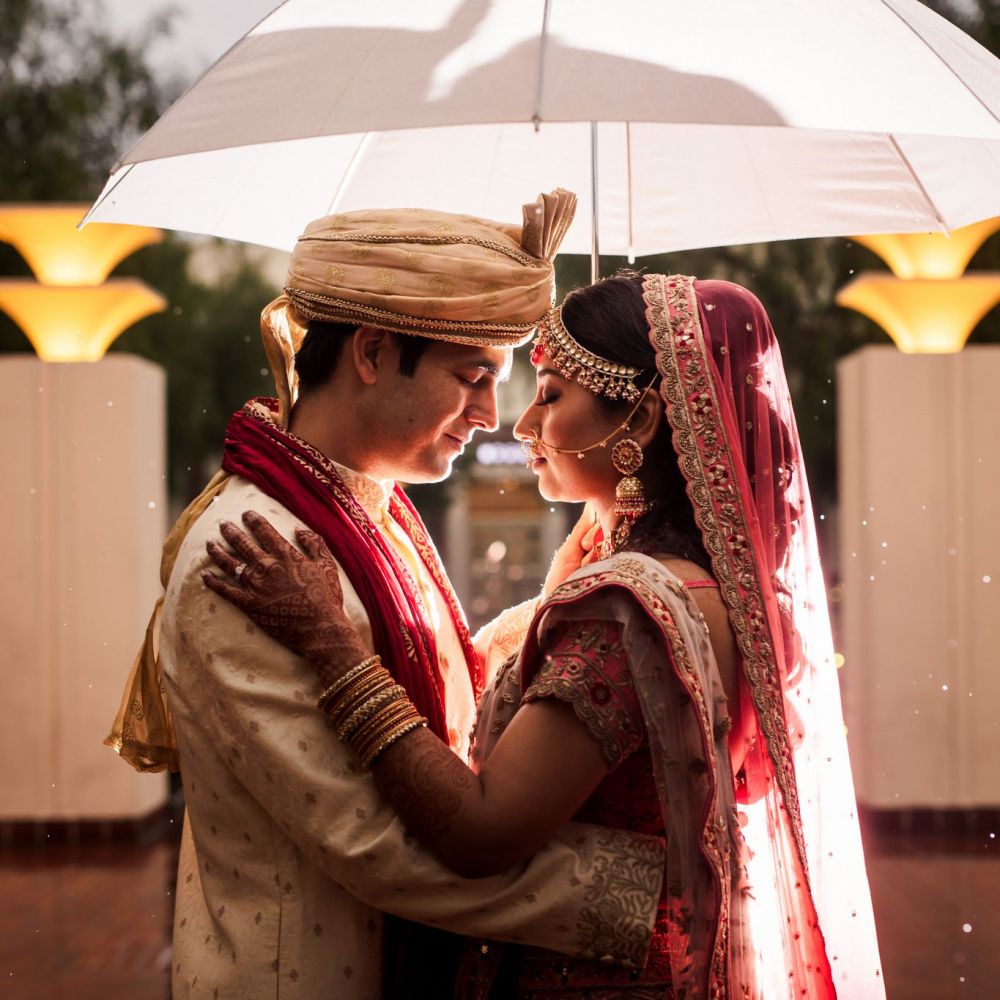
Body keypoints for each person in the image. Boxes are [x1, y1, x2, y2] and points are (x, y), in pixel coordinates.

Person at [206, 273, 886, 998]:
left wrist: (330, 646)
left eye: (551, 395)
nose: (522, 424)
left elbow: (482, 833)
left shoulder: (627, 611)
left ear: (645, 419)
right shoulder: (700, 585)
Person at [104, 196, 673, 1000]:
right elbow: (373, 842)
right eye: (473, 378)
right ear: (371, 352)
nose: (490, 418)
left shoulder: (368, 505)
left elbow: (447, 692)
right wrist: (646, 898)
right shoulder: (249, 554)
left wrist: (562, 603)